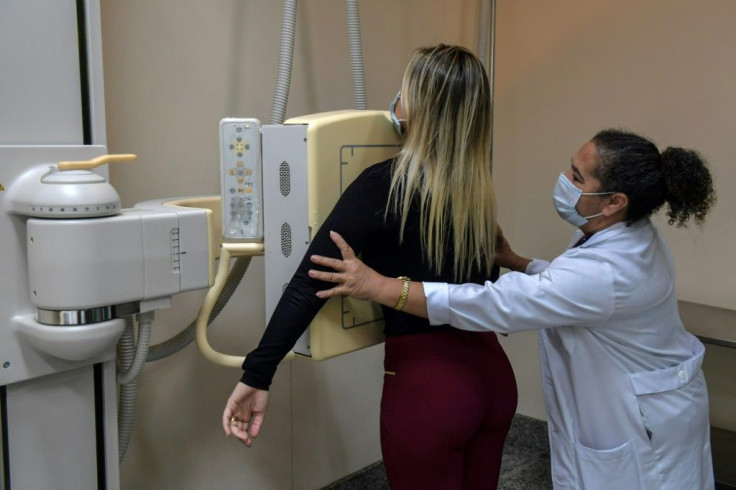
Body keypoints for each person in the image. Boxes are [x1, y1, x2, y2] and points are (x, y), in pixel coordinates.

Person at [310, 129, 717, 490]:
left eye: (577, 177)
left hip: (642, 428)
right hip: (658, 401)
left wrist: (380, 286)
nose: (565, 181)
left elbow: (496, 304)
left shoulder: (608, 271)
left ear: (614, 201)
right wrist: (516, 260)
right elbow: (569, 287)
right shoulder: (633, 232)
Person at [222, 44, 518, 489]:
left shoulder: (383, 185)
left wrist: (256, 374)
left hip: (430, 393)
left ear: (417, 105)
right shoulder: (476, 189)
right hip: (493, 380)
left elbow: (310, 281)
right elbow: (480, 279)